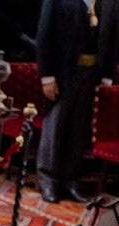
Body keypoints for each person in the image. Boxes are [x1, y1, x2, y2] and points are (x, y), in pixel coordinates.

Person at [36, 0, 119, 203]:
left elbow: (114, 37)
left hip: (91, 74)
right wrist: (46, 75)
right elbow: (44, 34)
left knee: (79, 130)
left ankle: (70, 180)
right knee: (55, 128)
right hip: (62, 73)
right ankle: (48, 181)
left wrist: (107, 75)